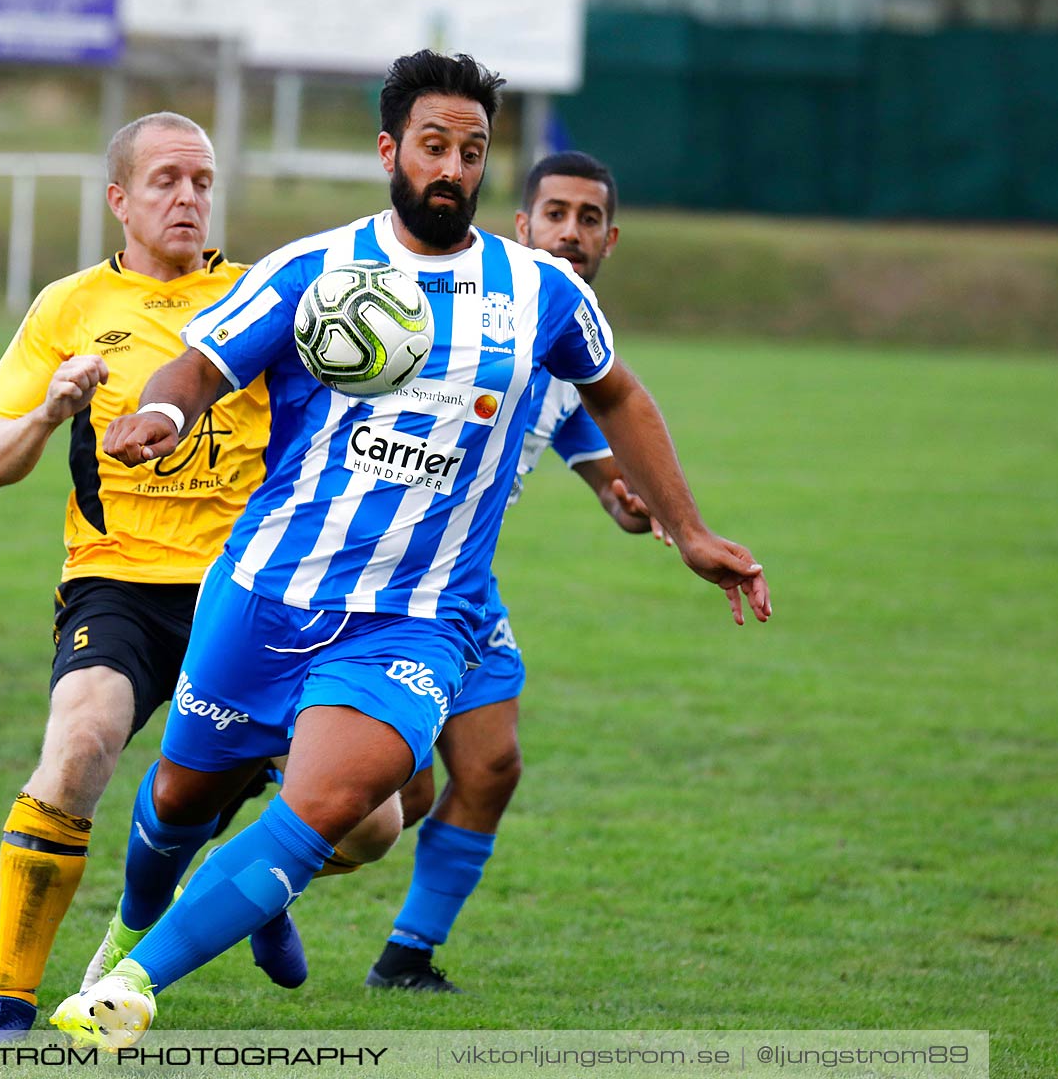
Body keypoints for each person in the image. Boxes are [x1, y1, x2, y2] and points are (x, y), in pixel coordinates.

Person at [52, 51, 770, 1049]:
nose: (453, 168)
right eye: (434, 145)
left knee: (338, 797)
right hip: (269, 591)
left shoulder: (540, 294)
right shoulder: (314, 269)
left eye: (472, 152)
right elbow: (199, 365)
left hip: (420, 612)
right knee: (178, 798)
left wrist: (688, 531)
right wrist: (163, 415)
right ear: (392, 150)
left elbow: (618, 396)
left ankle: (129, 987)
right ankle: (138, 920)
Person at [0, 112, 271, 1043]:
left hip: (248, 587)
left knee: (372, 825)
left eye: (204, 181)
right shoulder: (69, 307)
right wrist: (51, 412)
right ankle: (10, 1004)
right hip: (119, 580)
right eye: (167, 180)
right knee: (82, 744)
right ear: (119, 200)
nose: (189, 198)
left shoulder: (259, 299)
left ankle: (234, 868)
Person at [362, 149, 656, 993]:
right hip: (382, 577)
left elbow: (573, 424)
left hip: (464, 584)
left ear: (610, 239)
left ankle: (407, 957)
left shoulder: (575, 334)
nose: (571, 231)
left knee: (491, 766)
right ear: (521, 226)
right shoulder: (474, 310)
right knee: (391, 797)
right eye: (555, 213)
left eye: (589, 218)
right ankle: (254, 880)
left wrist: (617, 492)